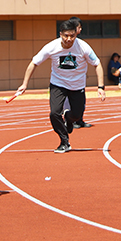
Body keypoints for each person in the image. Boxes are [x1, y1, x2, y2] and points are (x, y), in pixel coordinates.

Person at [16, 18, 106, 153]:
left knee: (76, 115)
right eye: (66, 36)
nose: (69, 39)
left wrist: (100, 87)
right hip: (58, 84)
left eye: (72, 36)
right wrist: (24, 84)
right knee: (54, 113)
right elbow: (34, 63)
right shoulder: (52, 47)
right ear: (60, 34)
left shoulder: (83, 47)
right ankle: (64, 141)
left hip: (77, 86)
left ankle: (69, 119)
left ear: (76, 34)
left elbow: (97, 64)